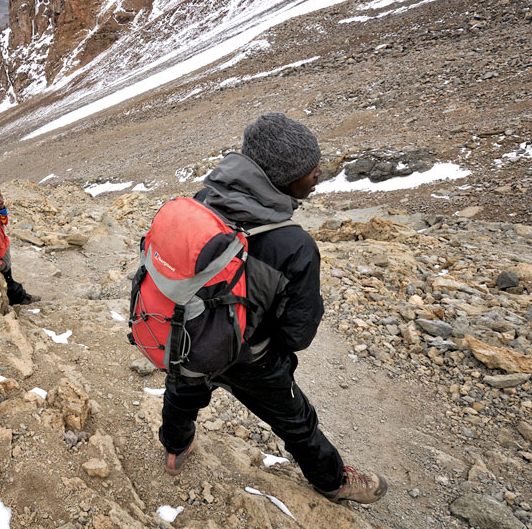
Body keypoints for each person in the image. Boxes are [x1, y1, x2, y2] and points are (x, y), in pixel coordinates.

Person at [158, 112, 387, 504]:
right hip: (253, 358)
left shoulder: (203, 200)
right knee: (296, 420)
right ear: (280, 178)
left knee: (181, 395)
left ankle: (175, 450)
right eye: (309, 170)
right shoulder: (295, 245)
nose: (318, 175)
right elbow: (297, 335)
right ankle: (332, 481)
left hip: (189, 339)